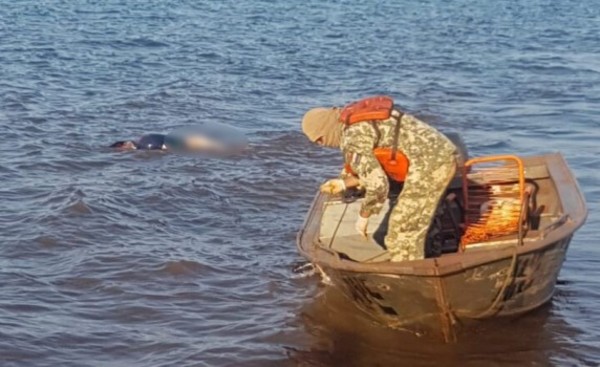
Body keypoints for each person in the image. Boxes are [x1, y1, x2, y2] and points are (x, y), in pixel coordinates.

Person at [301, 96, 459, 262]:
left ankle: (411, 276)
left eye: (320, 139)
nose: (321, 145)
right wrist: (344, 183)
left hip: (431, 163)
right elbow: (377, 165)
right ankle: (430, 256)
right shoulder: (353, 122)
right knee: (417, 216)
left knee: (401, 230)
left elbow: (378, 185)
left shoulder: (352, 138)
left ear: (326, 129)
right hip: (437, 153)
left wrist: (364, 216)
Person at [110, 122, 247, 153]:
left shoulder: (143, 145)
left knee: (211, 146)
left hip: (176, 142)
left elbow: (162, 148)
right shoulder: (143, 140)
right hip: (178, 140)